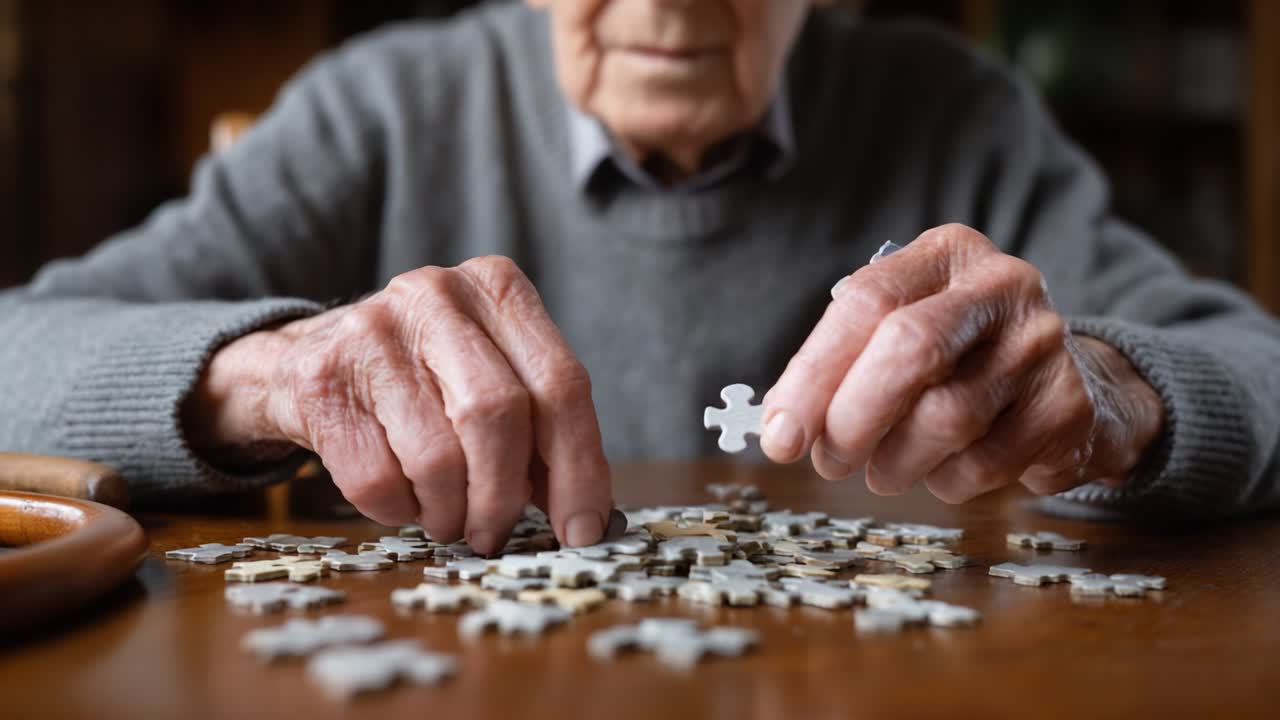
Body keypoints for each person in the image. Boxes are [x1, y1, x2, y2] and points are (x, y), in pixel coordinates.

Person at [1, 0, 1277, 555]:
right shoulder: (378, 111)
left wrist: (1112, 400)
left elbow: (1256, 369)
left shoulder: (958, 114)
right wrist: (264, 375)